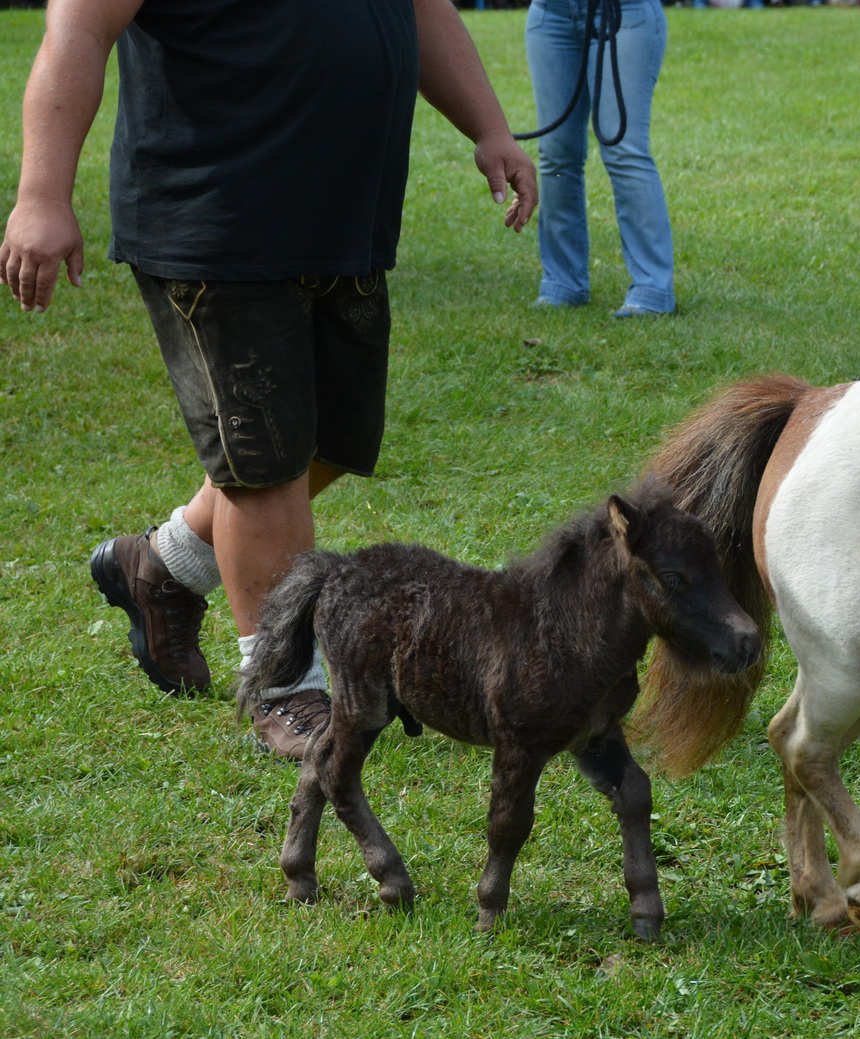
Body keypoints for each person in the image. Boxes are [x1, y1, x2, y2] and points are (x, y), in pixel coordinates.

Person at [0, 0, 539, 758]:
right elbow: (77, 29)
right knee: (266, 466)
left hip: (343, 222)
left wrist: (488, 126)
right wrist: (41, 195)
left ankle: (164, 563)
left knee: (333, 440)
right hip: (216, 225)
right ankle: (285, 687)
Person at [526, 0, 675, 317]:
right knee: (555, 153)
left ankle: (652, 289)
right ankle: (561, 283)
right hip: (550, 13)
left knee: (624, 149)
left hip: (625, 11)